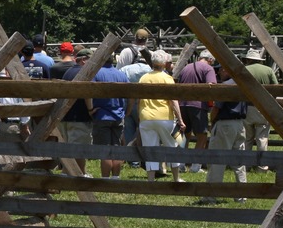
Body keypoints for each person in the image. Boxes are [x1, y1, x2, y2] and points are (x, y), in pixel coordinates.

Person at [137, 50, 185, 182]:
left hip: (146, 117)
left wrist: (139, 116)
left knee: (149, 148)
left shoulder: (143, 78)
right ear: (164, 64)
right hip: (164, 117)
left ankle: (151, 180)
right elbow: (173, 101)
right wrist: (180, 119)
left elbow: (139, 99)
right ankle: (176, 178)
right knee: (172, 146)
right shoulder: (167, 78)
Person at [200, 75, 247, 204]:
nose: (220, 71)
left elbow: (216, 108)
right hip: (240, 124)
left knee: (217, 160)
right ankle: (242, 196)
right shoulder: (243, 83)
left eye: (222, 68)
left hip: (225, 123)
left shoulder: (226, 84)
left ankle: (211, 195)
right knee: (239, 161)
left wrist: (211, 122)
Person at [176, 49, 217, 173]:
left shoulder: (185, 68)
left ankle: (181, 164)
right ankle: (195, 165)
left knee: (184, 135)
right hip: (198, 105)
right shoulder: (208, 69)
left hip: (182, 104)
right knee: (202, 135)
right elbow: (212, 86)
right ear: (210, 60)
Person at [90, 51, 129, 179]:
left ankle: (105, 178)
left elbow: (88, 92)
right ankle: (115, 177)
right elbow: (132, 94)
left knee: (105, 149)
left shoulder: (96, 74)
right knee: (116, 147)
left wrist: (90, 109)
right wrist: (127, 111)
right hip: (118, 115)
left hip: (102, 115)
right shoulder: (121, 75)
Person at [242, 48, 278, 172]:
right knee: (262, 138)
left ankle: (245, 165)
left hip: (247, 107)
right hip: (263, 108)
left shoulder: (244, 70)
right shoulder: (268, 70)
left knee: (247, 138)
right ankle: (262, 167)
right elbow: (275, 88)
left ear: (248, 59)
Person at [59, 48, 94, 172]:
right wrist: (90, 110)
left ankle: (71, 173)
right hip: (79, 116)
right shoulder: (85, 74)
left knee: (68, 148)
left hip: (65, 116)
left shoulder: (68, 72)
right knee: (79, 149)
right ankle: (78, 175)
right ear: (84, 60)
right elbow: (87, 94)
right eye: (91, 60)